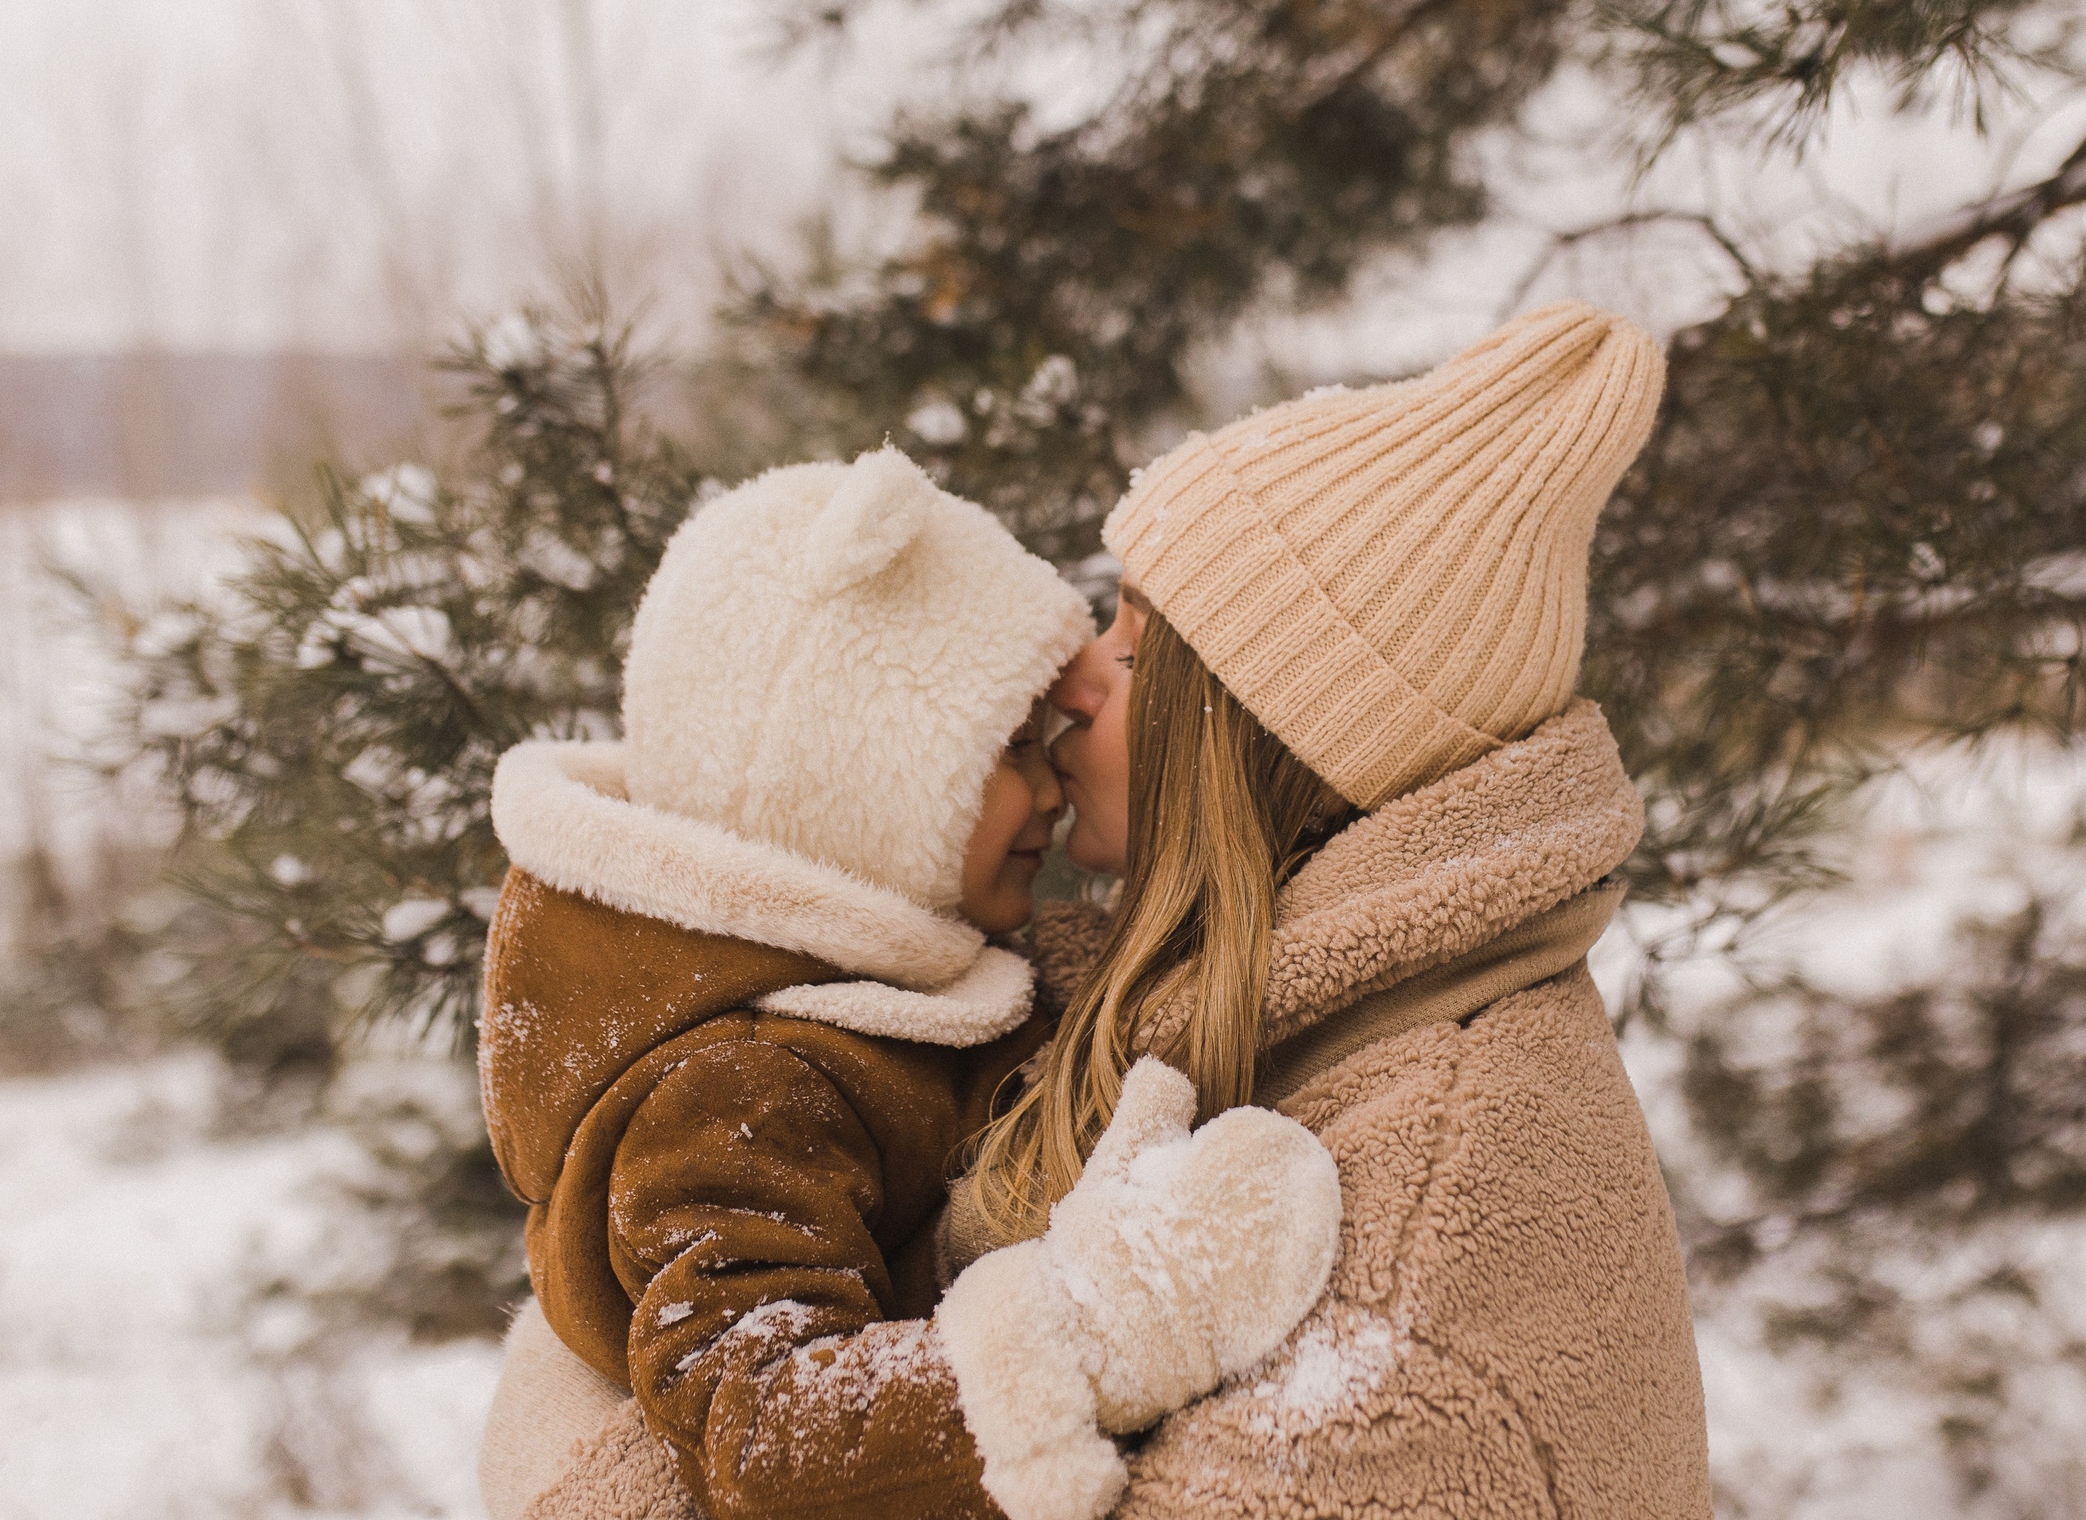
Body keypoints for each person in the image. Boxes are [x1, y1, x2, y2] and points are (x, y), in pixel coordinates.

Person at [946, 299, 1715, 1517]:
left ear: (1270, 748)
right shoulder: (1267, 1036)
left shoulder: (1422, 1256)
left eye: (1139, 653)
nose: (1070, 677)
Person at [473, 447, 1342, 1520]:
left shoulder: (895, 1002)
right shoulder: (743, 1082)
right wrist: (1100, 1324)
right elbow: (767, 1431)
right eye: (1012, 747)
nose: (1052, 789)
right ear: (863, 780)